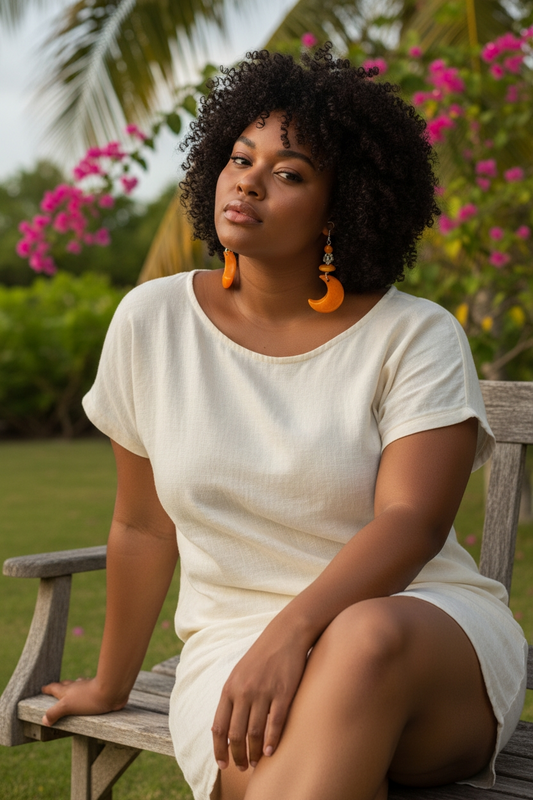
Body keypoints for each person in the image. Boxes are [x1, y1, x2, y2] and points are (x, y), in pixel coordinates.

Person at [41, 47, 528, 800]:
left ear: (344, 206)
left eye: (289, 171)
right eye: (241, 157)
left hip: (415, 629)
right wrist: (111, 682)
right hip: (235, 646)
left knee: (362, 639)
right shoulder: (152, 321)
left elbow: (411, 522)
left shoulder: (414, 335)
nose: (249, 180)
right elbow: (141, 527)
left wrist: (294, 634)